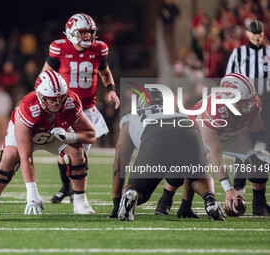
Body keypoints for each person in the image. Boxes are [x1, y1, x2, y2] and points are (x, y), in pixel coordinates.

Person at [157, 73, 270, 216]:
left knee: (257, 161)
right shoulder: (213, 111)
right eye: (244, 102)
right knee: (183, 170)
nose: (250, 104)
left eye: (250, 100)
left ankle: (259, 205)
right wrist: (229, 189)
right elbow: (215, 155)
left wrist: (260, 149)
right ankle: (164, 203)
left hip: (229, 135)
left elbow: (257, 133)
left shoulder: (252, 104)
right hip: (191, 133)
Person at [0, 70, 96, 215]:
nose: (57, 102)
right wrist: (32, 194)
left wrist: (70, 137)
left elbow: (91, 135)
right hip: (29, 134)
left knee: (77, 152)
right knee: (10, 156)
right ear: (41, 97)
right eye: (52, 99)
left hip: (56, 133)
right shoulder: (28, 108)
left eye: (61, 97)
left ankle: (80, 201)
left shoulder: (70, 101)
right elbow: (27, 157)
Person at [111, 88, 224, 221]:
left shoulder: (131, 118)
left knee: (141, 191)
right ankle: (210, 200)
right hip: (189, 129)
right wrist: (186, 205)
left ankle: (132, 193)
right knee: (198, 176)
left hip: (155, 134)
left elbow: (119, 168)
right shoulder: (180, 113)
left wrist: (117, 204)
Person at [41, 13, 120, 204]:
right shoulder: (59, 48)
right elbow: (45, 75)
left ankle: (76, 192)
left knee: (79, 154)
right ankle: (66, 188)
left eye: (90, 33)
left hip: (86, 110)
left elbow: (105, 72)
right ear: (72, 32)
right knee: (64, 154)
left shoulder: (99, 49)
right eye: (83, 33)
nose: (88, 37)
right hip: (64, 109)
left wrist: (111, 90)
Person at [225, 20, 270, 192]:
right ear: (247, 34)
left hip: (266, 100)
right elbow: (229, 77)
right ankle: (239, 183)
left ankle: (260, 179)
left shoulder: (269, 52)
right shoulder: (238, 53)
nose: (257, 36)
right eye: (254, 33)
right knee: (242, 138)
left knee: (264, 139)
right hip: (245, 101)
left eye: (260, 33)